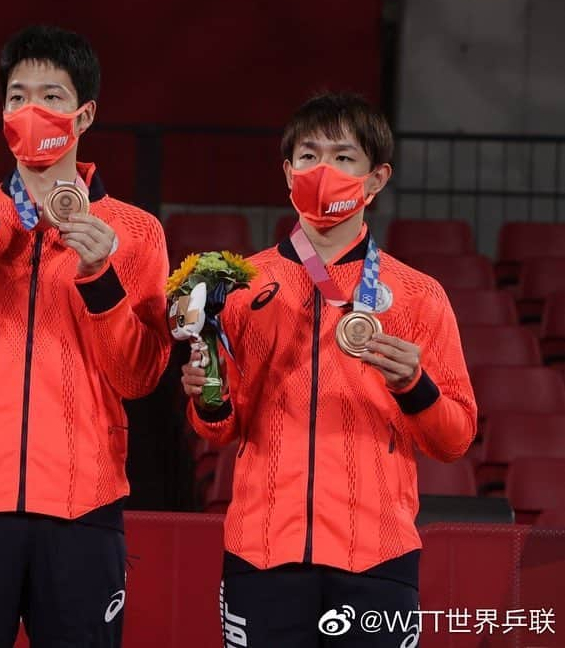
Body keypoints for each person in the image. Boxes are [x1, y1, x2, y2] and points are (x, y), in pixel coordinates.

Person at [0, 25, 172, 647]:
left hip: (83, 506)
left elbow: (140, 376)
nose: (31, 111)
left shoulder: (133, 232)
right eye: (17, 97)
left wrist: (100, 278)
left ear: (85, 114)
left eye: (50, 95)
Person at [180, 93, 477, 647]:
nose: (324, 171)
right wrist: (207, 398)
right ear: (287, 171)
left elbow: (456, 439)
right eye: (309, 155)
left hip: (378, 557)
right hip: (264, 551)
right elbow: (217, 430)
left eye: (343, 158)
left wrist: (415, 386)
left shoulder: (418, 296)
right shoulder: (240, 287)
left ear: (377, 178)